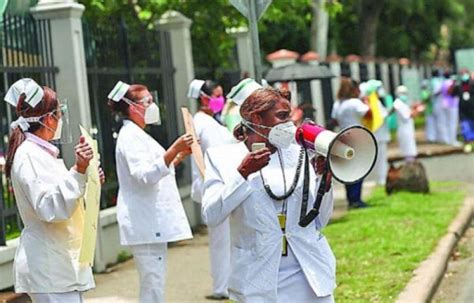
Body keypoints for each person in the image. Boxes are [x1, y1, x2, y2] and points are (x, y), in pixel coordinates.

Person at [202, 78, 336, 302]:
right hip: (258, 279)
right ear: (256, 118)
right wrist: (242, 174)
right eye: (282, 116)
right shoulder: (222, 158)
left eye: (289, 115)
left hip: (309, 273)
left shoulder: (301, 153)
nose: (289, 123)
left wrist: (325, 182)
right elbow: (212, 215)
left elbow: (319, 220)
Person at [4, 78, 103, 303]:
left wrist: (87, 178)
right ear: (49, 118)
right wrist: (78, 170)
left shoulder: (41, 153)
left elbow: (61, 191)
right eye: (59, 113)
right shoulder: (29, 155)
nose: (60, 119)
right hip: (50, 267)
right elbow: (50, 207)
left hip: (60, 265)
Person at [107, 81, 193, 303]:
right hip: (144, 220)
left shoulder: (138, 135)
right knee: (152, 283)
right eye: (147, 101)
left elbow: (156, 167)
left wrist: (178, 156)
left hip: (149, 220)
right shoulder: (130, 137)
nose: (152, 106)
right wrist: (174, 148)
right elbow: (144, 175)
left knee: (155, 280)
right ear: (131, 106)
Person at [187, 79, 234, 299]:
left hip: (218, 185)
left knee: (224, 239)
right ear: (204, 99)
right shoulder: (204, 123)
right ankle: (221, 286)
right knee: (221, 240)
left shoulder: (210, 121)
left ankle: (225, 283)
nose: (220, 100)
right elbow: (219, 154)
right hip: (216, 185)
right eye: (216, 95)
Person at [332, 77, 371, 208]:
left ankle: (351, 198)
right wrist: (367, 101)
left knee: (347, 168)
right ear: (354, 89)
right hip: (357, 137)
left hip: (343, 136)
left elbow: (335, 120)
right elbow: (368, 113)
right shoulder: (355, 102)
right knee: (359, 167)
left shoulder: (338, 103)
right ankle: (356, 199)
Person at [393, 85, 418, 162]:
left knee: (411, 152)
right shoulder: (398, 104)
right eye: (403, 93)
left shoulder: (402, 104)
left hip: (408, 130)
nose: (405, 95)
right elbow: (406, 116)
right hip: (405, 131)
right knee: (409, 152)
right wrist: (416, 110)